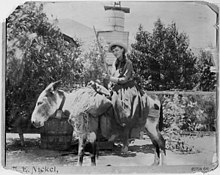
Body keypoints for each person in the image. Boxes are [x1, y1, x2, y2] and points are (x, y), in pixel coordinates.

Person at [103, 41, 143, 128]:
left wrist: (111, 78)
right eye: (113, 51)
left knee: (123, 104)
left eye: (117, 50)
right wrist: (108, 80)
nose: (115, 53)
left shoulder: (128, 63)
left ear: (122, 50)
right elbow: (113, 75)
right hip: (116, 86)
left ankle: (125, 123)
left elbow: (125, 79)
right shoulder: (114, 63)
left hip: (127, 87)